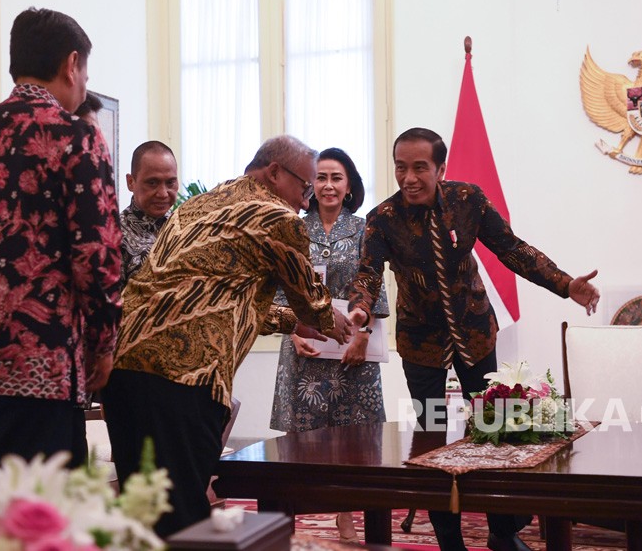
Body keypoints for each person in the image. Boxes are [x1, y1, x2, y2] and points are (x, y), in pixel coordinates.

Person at [348, 127, 600, 551]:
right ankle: (450, 541)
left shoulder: (468, 201)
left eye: (420, 168)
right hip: (421, 342)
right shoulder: (382, 219)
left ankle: (504, 532)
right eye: (400, 168)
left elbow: (513, 250)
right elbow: (369, 273)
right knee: (431, 441)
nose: (409, 178)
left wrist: (564, 284)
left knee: (496, 429)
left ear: (441, 169)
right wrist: (358, 306)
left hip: (475, 333)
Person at [103, 135, 354, 537]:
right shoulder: (278, 217)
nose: (306, 201)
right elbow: (312, 302)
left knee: (137, 506)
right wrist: (328, 320)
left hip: (125, 372)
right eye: (304, 187)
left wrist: (292, 322)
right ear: (274, 173)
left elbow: (218, 301)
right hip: (183, 379)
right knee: (181, 514)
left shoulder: (203, 203)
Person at [0, 7, 121, 471]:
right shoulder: (76, 138)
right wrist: (104, 344)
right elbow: (97, 256)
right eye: (85, 73)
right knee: (37, 525)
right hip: (36, 363)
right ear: (72, 65)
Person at [269, 147, 388, 543]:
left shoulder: (365, 229)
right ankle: (288, 517)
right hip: (308, 351)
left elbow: (374, 285)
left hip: (355, 350)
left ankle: (347, 513)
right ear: (310, 184)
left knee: (358, 443)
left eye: (336, 177)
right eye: (320, 177)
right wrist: (292, 332)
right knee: (301, 445)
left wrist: (363, 335)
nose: (328, 185)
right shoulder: (292, 226)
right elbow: (277, 290)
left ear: (349, 183)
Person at [120, 141, 179, 284]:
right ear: (130, 182)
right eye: (152, 183)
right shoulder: (116, 236)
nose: (163, 193)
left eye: (170, 183)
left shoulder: (185, 227)